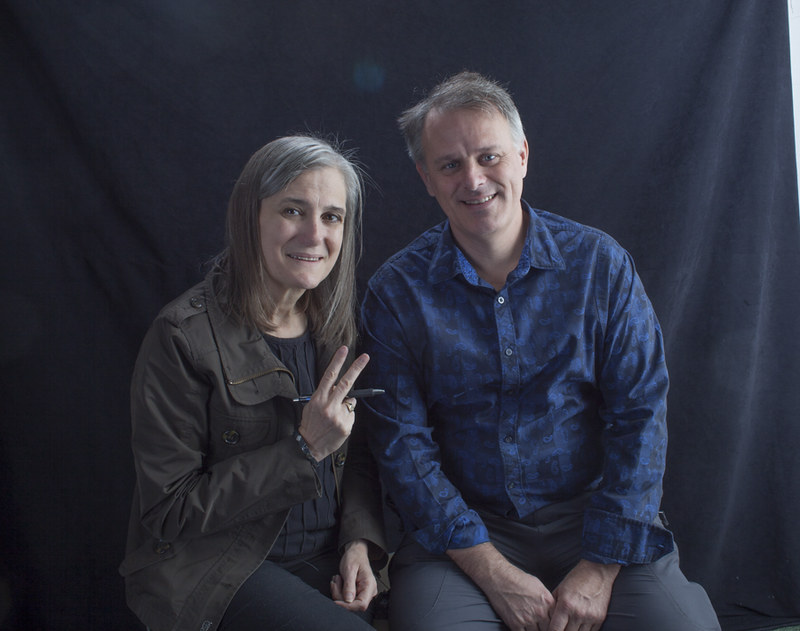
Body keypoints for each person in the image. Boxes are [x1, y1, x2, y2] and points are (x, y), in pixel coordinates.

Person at [359, 71, 721, 631]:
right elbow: (402, 446)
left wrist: (599, 569)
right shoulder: (396, 292)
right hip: (461, 536)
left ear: (522, 156)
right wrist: (492, 572)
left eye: (489, 157)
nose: (473, 179)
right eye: (450, 165)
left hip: (595, 519)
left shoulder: (600, 266)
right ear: (426, 178)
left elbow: (641, 418)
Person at [119, 135, 387, 631]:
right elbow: (169, 511)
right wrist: (303, 449)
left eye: (332, 217)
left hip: (326, 557)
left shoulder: (336, 329)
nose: (314, 234)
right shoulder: (182, 336)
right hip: (221, 566)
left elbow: (358, 455)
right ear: (250, 217)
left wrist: (359, 542)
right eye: (292, 210)